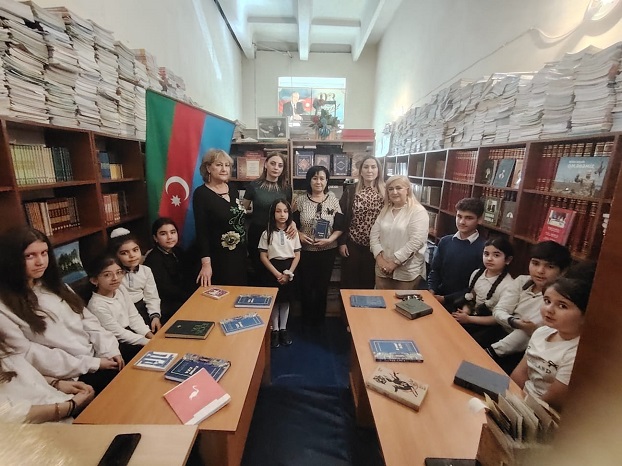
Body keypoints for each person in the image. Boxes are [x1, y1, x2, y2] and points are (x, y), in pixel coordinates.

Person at [0, 227, 123, 394]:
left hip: (98, 356)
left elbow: (87, 319)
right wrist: (92, 364)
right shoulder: (5, 306)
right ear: (12, 259)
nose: (40, 262)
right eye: (30, 256)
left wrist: (109, 349)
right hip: (70, 376)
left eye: (44, 253)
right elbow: (30, 354)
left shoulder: (55, 286)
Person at [511, 262, 596, 412]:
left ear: (585, 315)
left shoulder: (576, 352)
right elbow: (520, 373)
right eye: (547, 301)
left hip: (540, 412)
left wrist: (520, 411)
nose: (549, 310)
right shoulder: (541, 332)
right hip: (518, 401)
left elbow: (552, 401)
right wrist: (508, 398)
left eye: (562, 306)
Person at [486, 241, 572, 374]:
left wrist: (491, 351)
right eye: (535, 263)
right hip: (501, 331)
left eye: (550, 266)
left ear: (563, 271)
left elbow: (527, 333)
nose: (540, 271)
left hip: (522, 351)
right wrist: (514, 322)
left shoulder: (558, 299)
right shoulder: (522, 281)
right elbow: (499, 311)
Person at [0, 335, 95, 423]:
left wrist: (55, 383)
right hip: (48, 425)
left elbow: (22, 377)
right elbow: (14, 415)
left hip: (59, 401)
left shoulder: (4, 347)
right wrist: (70, 406)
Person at [293, 166, 344, 326]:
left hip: (327, 251)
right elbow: (291, 224)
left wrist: (330, 240)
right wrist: (300, 235)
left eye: (322, 178)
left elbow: (340, 226)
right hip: (305, 251)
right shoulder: (300, 200)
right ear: (309, 180)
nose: (318, 182)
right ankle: (306, 321)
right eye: (314, 178)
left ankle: (319, 322)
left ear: (327, 181)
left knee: (322, 288)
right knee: (306, 287)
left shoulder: (333, 200)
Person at [193, 149, 248, 287]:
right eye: (219, 165)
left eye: (227, 165)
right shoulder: (201, 194)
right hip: (218, 257)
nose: (224, 169)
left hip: (239, 255)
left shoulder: (233, 189)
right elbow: (201, 231)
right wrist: (206, 264)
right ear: (208, 168)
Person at [86, 255, 154, 362]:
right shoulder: (96, 305)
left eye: (118, 272)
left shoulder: (120, 289)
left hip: (132, 335)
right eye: (107, 275)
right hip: (117, 345)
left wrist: (149, 335)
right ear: (94, 280)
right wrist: (147, 342)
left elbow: (133, 317)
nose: (115, 278)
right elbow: (119, 333)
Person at [451, 237, 515, 348]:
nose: (489, 258)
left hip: (488, 326)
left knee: (465, 345)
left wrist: (469, 319)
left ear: (508, 260)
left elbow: (498, 319)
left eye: (496, 255)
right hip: (472, 315)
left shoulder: (509, 286)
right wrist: (466, 311)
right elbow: (472, 297)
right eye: (486, 254)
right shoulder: (477, 273)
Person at [242, 152, 294, 284]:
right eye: (273, 163)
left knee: (277, 272)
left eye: (280, 165)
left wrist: (292, 223)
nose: (276, 168)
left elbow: (288, 212)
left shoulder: (287, 188)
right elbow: (241, 211)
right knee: (259, 272)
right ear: (265, 164)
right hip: (258, 233)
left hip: (278, 235)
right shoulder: (254, 186)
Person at [369, 175, 428, 290]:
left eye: (398, 188)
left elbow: (416, 242)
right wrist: (380, 260)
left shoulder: (418, 211)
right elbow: (374, 236)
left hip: (406, 273)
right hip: (382, 270)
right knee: (380, 300)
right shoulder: (385, 210)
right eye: (390, 189)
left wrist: (394, 263)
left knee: (401, 302)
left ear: (407, 190)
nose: (394, 192)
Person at [427, 197, 486, 311]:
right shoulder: (445, 241)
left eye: (469, 218)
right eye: (459, 216)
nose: (462, 222)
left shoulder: (484, 249)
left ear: (479, 220)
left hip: (463, 305)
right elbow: (435, 270)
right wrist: (431, 291)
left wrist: (445, 299)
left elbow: (476, 286)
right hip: (436, 298)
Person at [258, 199, 301, 348]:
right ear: (273, 213)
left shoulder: (293, 233)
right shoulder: (267, 233)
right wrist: (277, 274)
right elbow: (263, 256)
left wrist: (289, 273)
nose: (282, 214)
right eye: (278, 211)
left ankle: (283, 329)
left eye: (285, 211)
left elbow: (297, 255)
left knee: (286, 300)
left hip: (289, 269)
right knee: (275, 301)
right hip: (273, 269)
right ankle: (274, 330)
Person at [339, 156, 385, 289]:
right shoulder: (351, 190)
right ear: (361, 171)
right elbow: (341, 217)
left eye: (373, 167)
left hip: (376, 246)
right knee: (349, 283)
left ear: (378, 170)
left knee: (368, 283)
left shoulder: (385, 191)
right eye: (366, 167)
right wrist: (342, 242)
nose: (369, 170)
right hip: (352, 243)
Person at [108, 228, 162, 333]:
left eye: (135, 250)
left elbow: (151, 296)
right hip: (124, 314)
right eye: (124, 253)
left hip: (144, 310)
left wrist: (155, 316)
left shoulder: (146, 271)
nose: (132, 255)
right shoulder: (115, 276)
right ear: (115, 256)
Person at [143, 217, 196, 322]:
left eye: (173, 232)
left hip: (183, 296)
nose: (170, 237)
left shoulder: (178, 251)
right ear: (155, 238)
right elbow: (165, 289)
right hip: (167, 304)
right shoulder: (153, 259)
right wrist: (189, 296)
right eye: (163, 234)